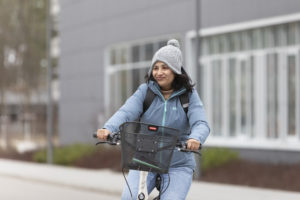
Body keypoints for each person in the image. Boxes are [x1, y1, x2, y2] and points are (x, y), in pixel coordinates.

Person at [97, 39, 210, 200]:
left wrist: (195, 138)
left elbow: (201, 123)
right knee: (129, 197)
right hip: (145, 160)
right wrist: (109, 128)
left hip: (177, 164)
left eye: (165, 67)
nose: (159, 72)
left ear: (175, 70)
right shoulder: (145, 91)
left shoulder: (188, 96)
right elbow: (126, 112)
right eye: (155, 68)